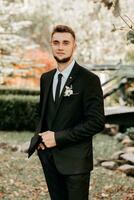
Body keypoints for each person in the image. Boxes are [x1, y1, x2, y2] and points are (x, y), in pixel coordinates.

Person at [28, 25, 105, 200]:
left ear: (74, 46)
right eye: (56, 42)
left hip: (76, 162)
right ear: (51, 45)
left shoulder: (89, 80)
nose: (60, 47)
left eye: (65, 42)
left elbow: (96, 122)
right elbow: (41, 113)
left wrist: (58, 137)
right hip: (49, 158)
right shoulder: (46, 78)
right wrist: (39, 138)